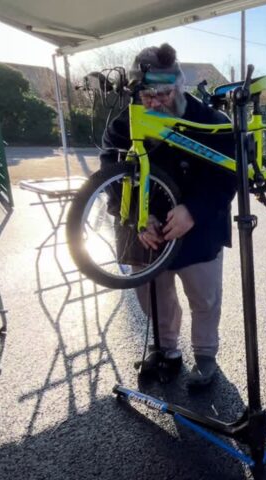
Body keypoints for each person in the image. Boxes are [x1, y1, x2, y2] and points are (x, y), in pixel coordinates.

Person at [100, 43, 237, 386]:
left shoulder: (211, 122)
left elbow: (227, 176)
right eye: (147, 96)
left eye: (164, 94)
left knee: (204, 298)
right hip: (145, 229)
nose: (156, 102)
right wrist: (135, 217)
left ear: (179, 85)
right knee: (152, 298)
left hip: (198, 227)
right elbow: (110, 176)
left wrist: (194, 210)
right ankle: (165, 350)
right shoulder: (123, 125)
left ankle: (205, 356)